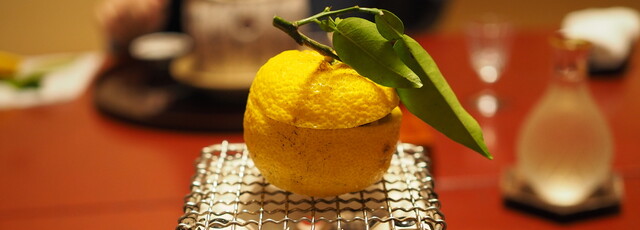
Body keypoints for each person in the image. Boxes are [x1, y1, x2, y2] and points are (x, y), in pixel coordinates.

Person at [95, 0, 448, 51]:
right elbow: (139, 32)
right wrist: (131, 19)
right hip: (199, 112)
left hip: (341, 106)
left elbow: (419, 13)